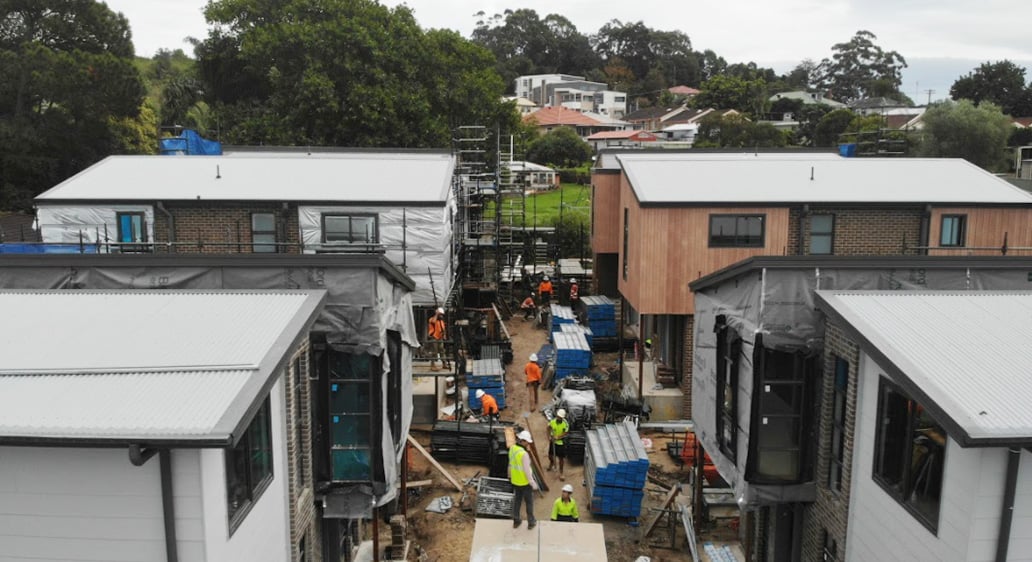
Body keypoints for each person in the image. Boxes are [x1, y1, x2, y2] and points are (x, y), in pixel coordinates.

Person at [509, 430, 540, 529]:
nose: (528, 444)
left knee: (517, 501)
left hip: (515, 481)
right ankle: (531, 522)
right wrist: (532, 483)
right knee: (529, 502)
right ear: (523, 441)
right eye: (527, 442)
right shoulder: (524, 454)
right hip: (525, 482)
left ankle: (516, 520)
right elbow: (527, 470)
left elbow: (510, 464)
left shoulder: (512, 449)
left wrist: (509, 476)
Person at [547, 408, 570, 480]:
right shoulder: (552, 421)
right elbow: (548, 428)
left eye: (560, 417)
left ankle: (561, 473)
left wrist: (558, 437)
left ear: (562, 418)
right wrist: (549, 437)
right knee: (550, 455)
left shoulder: (565, 424)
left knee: (561, 458)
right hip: (553, 441)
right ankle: (552, 463)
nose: (558, 418)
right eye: (558, 416)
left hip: (560, 443)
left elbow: (565, 432)